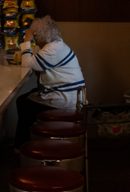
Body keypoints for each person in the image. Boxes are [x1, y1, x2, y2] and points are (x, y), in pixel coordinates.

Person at [14, 15, 86, 146]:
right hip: (68, 94)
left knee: (25, 104)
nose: (34, 39)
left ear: (40, 36)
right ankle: (24, 141)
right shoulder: (56, 45)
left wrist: (26, 41)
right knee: (24, 101)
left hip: (65, 99)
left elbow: (27, 64)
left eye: (35, 36)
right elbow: (35, 63)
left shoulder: (52, 50)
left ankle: (23, 144)